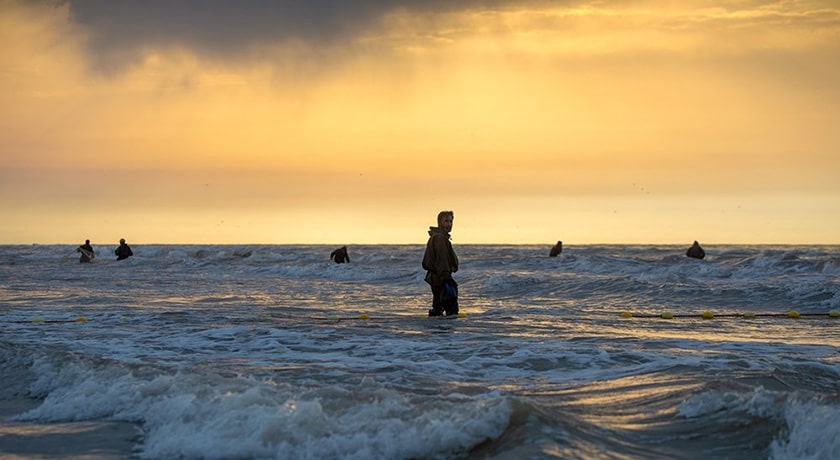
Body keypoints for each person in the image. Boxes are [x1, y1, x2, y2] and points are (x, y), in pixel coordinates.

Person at [422, 210, 459, 317]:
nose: (449, 224)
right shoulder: (439, 238)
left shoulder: (440, 237)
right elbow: (441, 258)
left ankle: (437, 331)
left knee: (438, 308)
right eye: (446, 221)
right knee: (451, 310)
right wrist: (445, 276)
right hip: (441, 278)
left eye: (451, 221)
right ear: (440, 223)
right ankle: (444, 332)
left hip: (438, 277)